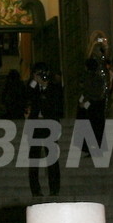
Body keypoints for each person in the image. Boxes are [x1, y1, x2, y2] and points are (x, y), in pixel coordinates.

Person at [24, 63, 64, 198]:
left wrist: (46, 86)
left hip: (50, 125)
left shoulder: (54, 87)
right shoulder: (32, 86)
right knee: (34, 158)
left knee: (52, 158)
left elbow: (57, 104)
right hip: (35, 125)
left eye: (43, 73)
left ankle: (54, 189)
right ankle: (35, 190)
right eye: (39, 74)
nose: (43, 76)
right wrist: (35, 82)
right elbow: (25, 97)